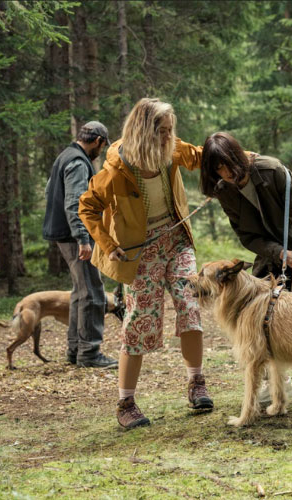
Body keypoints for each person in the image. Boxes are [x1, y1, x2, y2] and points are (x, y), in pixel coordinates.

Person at [78, 97, 211, 430]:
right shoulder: (116, 169)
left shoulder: (172, 150)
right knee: (139, 321)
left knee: (189, 303)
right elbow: (87, 208)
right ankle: (126, 403)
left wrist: (242, 158)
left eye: (170, 130)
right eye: (162, 132)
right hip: (141, 251)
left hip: (177, 241)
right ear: (143, 132)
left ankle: (196, 382)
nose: (169, 137)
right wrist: (108, 245)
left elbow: (199, 157)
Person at [199, 131, 292, 418]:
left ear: (238, 156)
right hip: (274, 248)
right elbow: (247, 235)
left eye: (229, 164)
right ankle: (280, 382)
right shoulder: (224, 190)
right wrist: (280, 253)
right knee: (266, 305)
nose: (227, 173)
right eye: (218, 169)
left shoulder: (271, 169)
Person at [42, 121, 118, 369]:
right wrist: (82, 238)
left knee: (80, 291)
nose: (101, 151)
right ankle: (90, 353)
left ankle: (75, 349)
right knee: (93, 292)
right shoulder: (77, 162)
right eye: (102, 145)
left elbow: (49, 191)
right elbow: (75, 203)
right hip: (75, 238)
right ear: (97, 141)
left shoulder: (65, 155)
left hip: (64, 235)